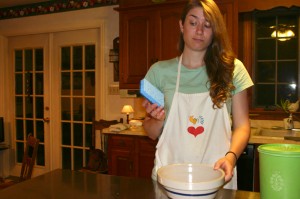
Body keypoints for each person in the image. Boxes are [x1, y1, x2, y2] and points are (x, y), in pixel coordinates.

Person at [142, 0, 253, 189]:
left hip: (217, 178)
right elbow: (152, 133)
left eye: (207, 25)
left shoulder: (232, 69)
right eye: (193, 23)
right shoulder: (158, 72)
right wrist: (158, 119)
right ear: (181, 25)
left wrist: (231, 157)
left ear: (214, 31)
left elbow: (242, 125)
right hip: (169, 181)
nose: (200, 30)